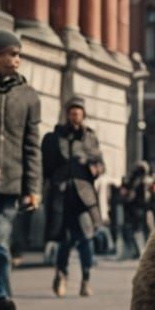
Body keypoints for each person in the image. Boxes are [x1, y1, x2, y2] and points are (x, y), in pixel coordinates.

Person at [0, 30, 40, 310]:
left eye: (18, 54)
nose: (15, 60)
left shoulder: (28, 96)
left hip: (8, 183)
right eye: (9, 54)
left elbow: (32, 146)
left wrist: (33, 187)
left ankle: (2, 297)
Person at [42, 97, 104, 295]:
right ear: (67, 115)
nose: (75, 116)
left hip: (83, 196)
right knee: (65, 240)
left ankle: (86, 279)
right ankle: (61, 276)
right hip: (61, 195)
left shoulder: (90, 138)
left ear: (83, 115)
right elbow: (46, 167)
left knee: (86, 238)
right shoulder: (55, 137)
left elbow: (101, 164)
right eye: (72, 112)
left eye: (78, 112)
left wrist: (94, 168)